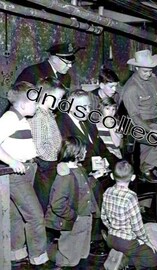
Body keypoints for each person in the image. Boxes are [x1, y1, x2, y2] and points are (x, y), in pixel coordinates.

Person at [56, 89, 116, 256]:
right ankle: (94, 239)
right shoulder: (61, 124)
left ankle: (108, 233)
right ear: (68, 106)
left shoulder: (88, 122)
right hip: (77, 173)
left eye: (88, 106)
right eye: (82, 106)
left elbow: (102, 148)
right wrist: (94, 170)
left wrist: (115, 164)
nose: (87, 110)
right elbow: (68, 156)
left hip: (97, 170)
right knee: (97, 189)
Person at [0, 81, 49, 266]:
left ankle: (16, 254)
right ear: (22, 104)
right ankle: (39, 258)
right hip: (16, 175)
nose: (37, 105)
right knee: (35, 216)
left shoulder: (20, 118)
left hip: (27, 171)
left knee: (17, 215)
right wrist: (12, 161)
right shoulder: (10, 118)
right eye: (34, 102)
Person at [45, 136, 101, 267]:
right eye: (84, 150)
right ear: (76, 153)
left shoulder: (79, 169)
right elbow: (57, 204)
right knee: (68, 256)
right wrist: (73, 216)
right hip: (75, 219)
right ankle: (51, 255)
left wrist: (95, 177)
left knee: (81, 253)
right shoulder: (65, 176)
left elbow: (82, 187)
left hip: (86, 217)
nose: (86, 152)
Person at [101, 160, 157, 270]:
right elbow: (137, 227)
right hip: (127, 242)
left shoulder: (107, 192)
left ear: (111, 175)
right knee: (155, 258)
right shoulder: (131, 197)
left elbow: (104, 217)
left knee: (135, 250)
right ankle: (123, 263)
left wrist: (112, 229)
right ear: (133, 177)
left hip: (111, 238)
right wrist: (147, 241)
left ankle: (120, 257)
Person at [121, 49, 157, 179]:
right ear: (136, 68)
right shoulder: (130, 89)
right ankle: (146, 168)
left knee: (148, 151)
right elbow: (134, 117)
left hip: (156, 120)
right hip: (140, 125)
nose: (148, 74)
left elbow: (156, 99)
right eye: (145, 71)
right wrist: (150, 130)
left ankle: (146, 171)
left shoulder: (153, 79)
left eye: (151, 70)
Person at [28, 77, 66, 214]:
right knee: (42, 204)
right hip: (45, 166)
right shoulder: (39, 116)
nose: (60, 101)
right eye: (58, 98)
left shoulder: (48, 113)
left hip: (51, 164)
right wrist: (55, 158)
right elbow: (39, 147)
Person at [15, 42, 80, 89]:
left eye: (72, 63)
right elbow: (18, 96)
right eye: (67, 63)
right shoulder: (32, 72)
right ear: (54, 59)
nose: (70, 66)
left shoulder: (66, 77)